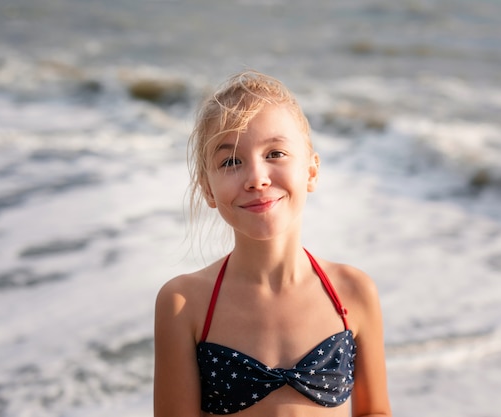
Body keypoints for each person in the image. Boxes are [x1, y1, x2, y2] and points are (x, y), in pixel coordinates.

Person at [154, 70, 391, 417]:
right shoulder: (184, 304)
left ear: (311, 171)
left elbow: (375, 412)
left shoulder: (354, 292)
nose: (256, 179)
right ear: (207, 188)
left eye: (275, 153)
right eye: (231, 161)